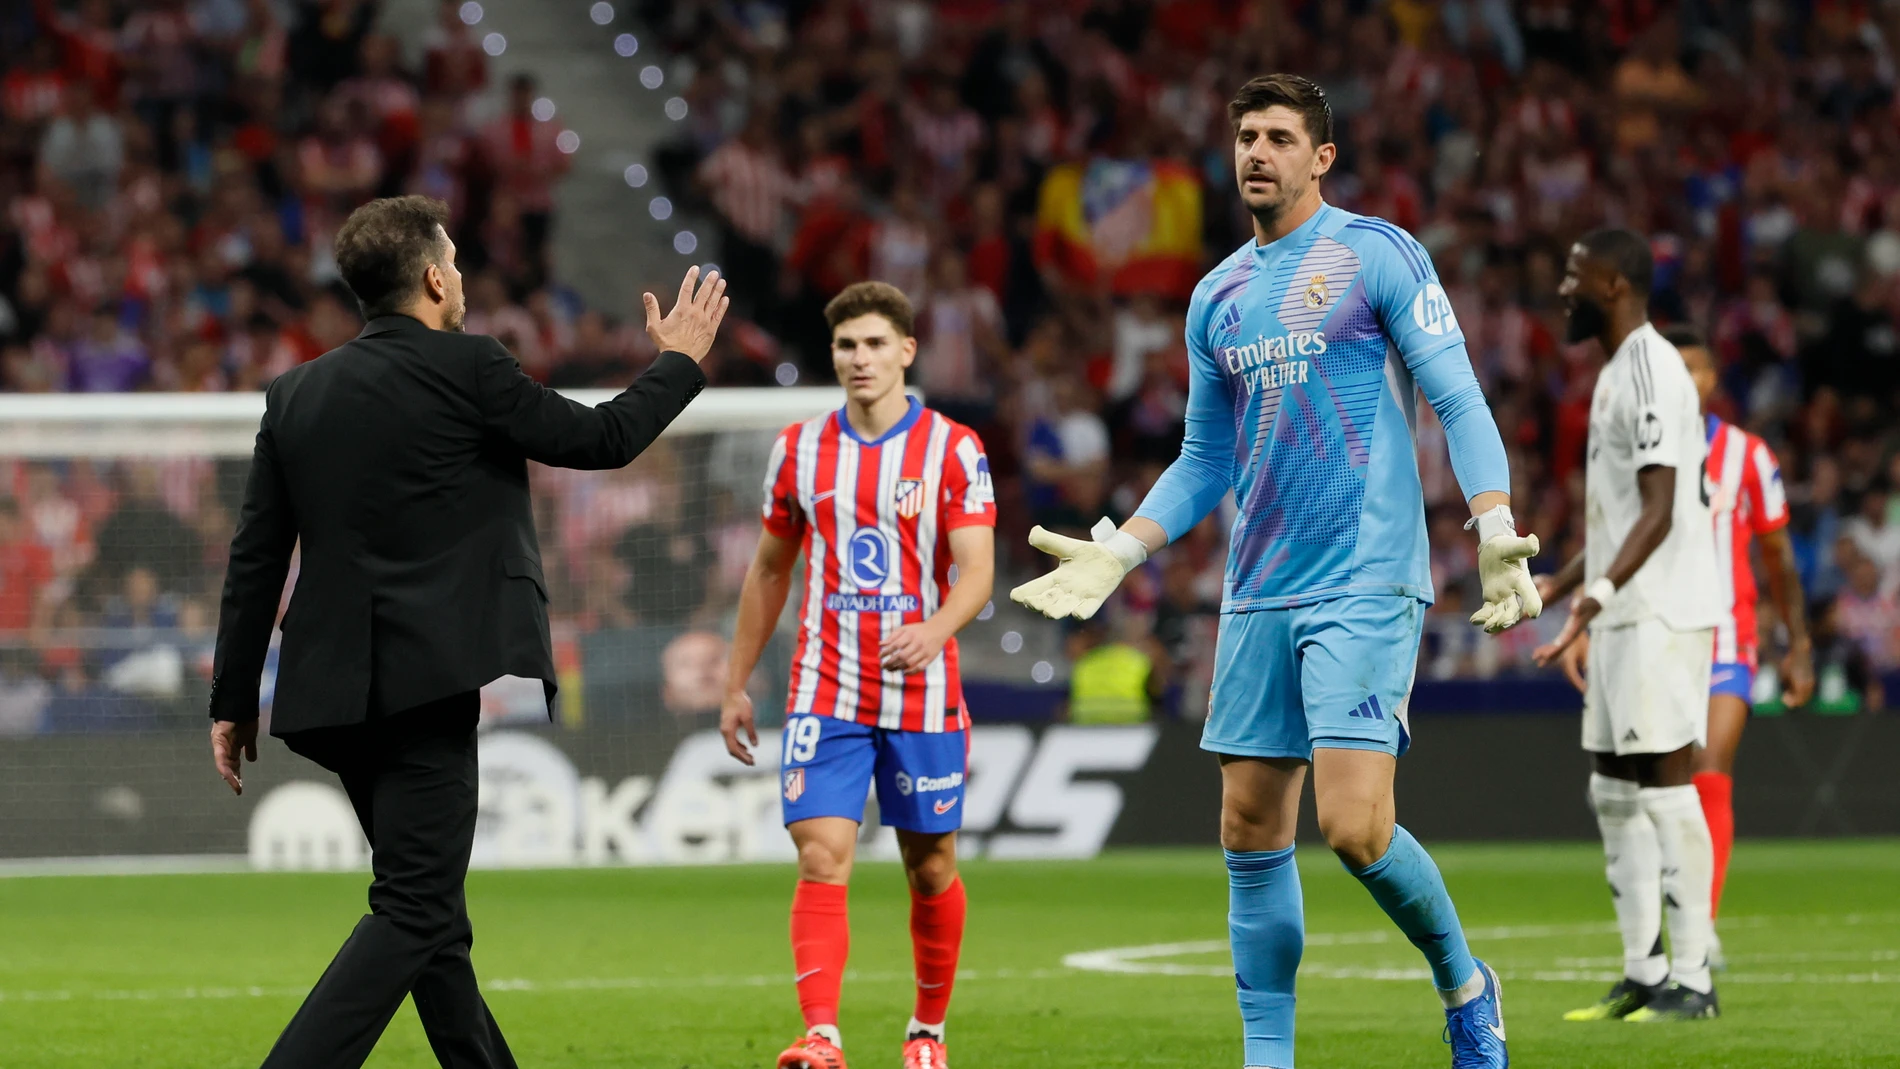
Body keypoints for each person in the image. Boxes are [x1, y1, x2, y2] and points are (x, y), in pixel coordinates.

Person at [1011, 74, 1537, 1069]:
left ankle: (1465, 982)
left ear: (1320, 156)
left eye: (1279, 137)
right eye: (1245, 135)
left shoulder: (1375, 255)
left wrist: (1492, 517)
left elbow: (1458, 400)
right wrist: (1124, 547)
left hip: (1366, 575)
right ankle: (1268, 1058)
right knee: (1250, 826)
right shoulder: (1215, 296)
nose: (1257, 152)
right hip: (1257, 588)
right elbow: (1206, 457)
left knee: (1350, 824)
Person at [207, 195, 726, 1069]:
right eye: (455, 260)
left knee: (434, 921)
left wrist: (231, 700)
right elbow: (601, 439)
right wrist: (677, 361)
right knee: (415, 908)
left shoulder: (294, 394)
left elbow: (256, 558)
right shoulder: (468, 366)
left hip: (329, 696)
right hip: (423, 684)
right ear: (436, 276)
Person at [718, 281, 996, 1069]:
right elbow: (770, 568)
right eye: (846, 345)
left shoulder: (953, 447)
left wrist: (935, 627)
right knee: (820, 855)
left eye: (875, 343)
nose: (860, 358)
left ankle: (927, 1031)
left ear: (907, 350)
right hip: (826, 685)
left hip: (924, 690)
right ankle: (821, 1035)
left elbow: (977, 567)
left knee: (930, 863)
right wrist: (736, 680)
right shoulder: (800, 449)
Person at [1553, 324, 1815, 969]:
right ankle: (1653, 949)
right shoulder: (1641, 453)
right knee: (1638, 787)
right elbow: (1615, 540)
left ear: (1712, 381)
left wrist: (1799, 642)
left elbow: (1778, 556)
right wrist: (1584, 615)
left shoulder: (1749, 457)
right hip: (1651, 628)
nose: (1687, 382)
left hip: (1727, 634)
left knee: (1705, 769)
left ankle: (1703, 929)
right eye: (1678, 370)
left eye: (1698, 371)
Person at [1532, 229, 1724, 1022]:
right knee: (1612, 789)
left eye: (1576, 276)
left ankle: (1695, 981)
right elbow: (1617, 524)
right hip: (1623, 607)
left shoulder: (1649, 370)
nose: (1564, 289)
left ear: (1613, 285)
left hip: (1661, 610)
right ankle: (1643, 971)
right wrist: (1563, 584)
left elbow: (1661, 507)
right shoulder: (1617, 371)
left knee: (1665, 789)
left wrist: (1598, 594)